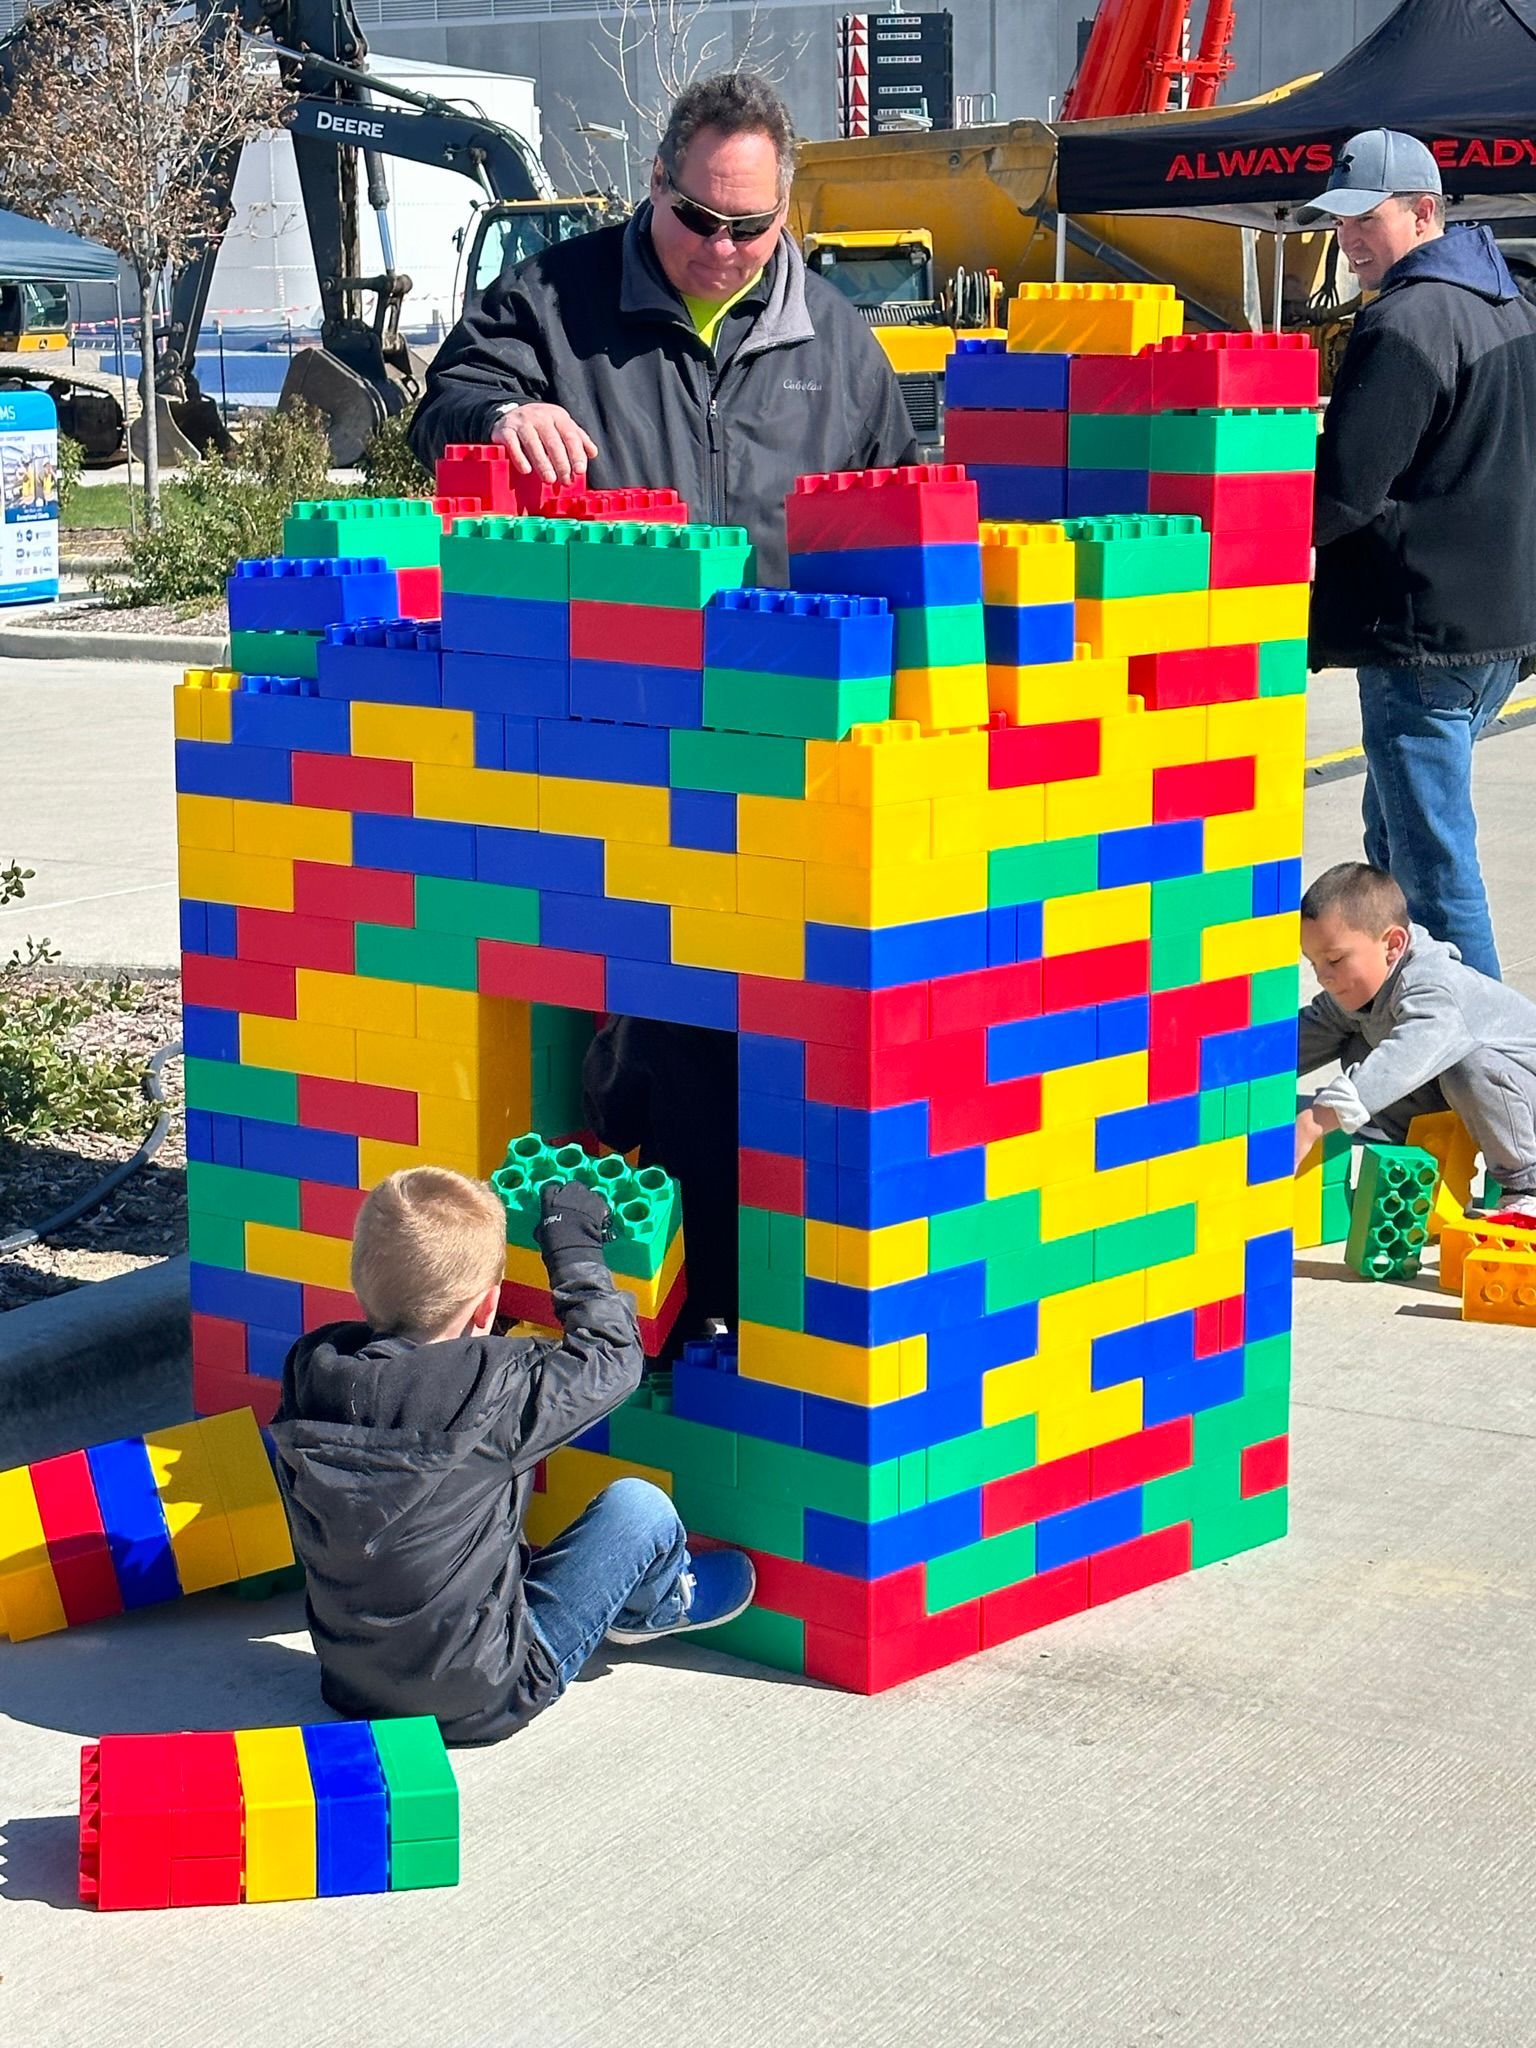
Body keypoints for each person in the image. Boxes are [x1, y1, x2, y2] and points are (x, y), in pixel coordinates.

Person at [270, 1166, 756, 1743]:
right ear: (486, 1309)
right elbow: (613, 1361)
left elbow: (413, 1390)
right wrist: (573, 1249)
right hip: (486, 1695)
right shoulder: (494, 1388)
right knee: (640, 1509)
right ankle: (655, 1602)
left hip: (350, 1679)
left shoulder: (311, 1369)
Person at [409, 70, 918, 583]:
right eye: (699, 218)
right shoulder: (547, 298)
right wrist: (503, 415)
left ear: (783, 208)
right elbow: (444, 407)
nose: (722, 247)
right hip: (608, 629)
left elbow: (901, 521)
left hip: (783, 634)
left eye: (748, 226)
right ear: (658, 180)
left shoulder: (837, 337)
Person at [1300, 128, 1536, 982]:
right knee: (1395, 851)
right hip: (1496, 628)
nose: (1350, 240)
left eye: (1368, 219)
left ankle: (1489, 1051)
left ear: (1424, 211)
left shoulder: (1407, 317)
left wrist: (1238, 520)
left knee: (1432, 876)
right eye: (1340, 222)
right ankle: (1407, 1025)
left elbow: (1345, 490)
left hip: (1421, 635)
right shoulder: (1509, 305)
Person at [1293, 864, 1536, 1222]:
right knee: (1357, 1045)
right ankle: (1425, 1166)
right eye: (1314, 963)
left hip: (1525, 1103)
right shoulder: (1358, 992)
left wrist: (1316, 1120)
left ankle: (1526, 1188)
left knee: (1466, 1065)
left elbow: (1403, 1059)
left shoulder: (1436, 987)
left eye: (1334, 960)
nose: (1323, 977)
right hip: (1489, 1110)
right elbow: (1300, 1041)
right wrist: (1224, 1072)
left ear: (1393, 945)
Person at [582, 1016, 739, 1352]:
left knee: (685, 1335)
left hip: (685, 1233)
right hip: (778, 1243)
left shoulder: (652, 1017)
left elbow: (614, 1123)